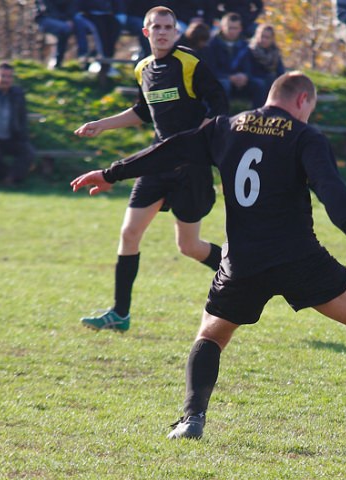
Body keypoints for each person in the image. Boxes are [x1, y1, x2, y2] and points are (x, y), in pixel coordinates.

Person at [70, 71, 346, 440]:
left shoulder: (225, 127)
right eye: (310, 108)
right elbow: (329, 187)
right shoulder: (304, 135)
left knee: (210, 336)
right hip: (302, 261)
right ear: (302, 100)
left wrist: (111, 174)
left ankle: (192, 419)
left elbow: (168, 149)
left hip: (243, 262)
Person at [73, 6, 229, 332]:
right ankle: (120, 313)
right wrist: (102, 125)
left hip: (190, 167)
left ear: (176, 32)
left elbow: (219, 106)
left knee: (189, 247)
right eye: (156, 27)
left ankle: (241, 269)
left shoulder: (191, 64)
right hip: (156, 163)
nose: (162, 32)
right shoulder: (143, 67)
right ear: (145, 32)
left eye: (168, 27)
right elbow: (144, 111)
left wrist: (196, 140)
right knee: (129, 233)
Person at [206, 12, 265, 108]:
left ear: (240, 29)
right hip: (221, 80)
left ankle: (257, 118)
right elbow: (210, 70)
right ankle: (222, 118)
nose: (232, 31)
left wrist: (245, 76)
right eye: (230, 28)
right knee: (224, 85)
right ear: (222, 27)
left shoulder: (245, 45)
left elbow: (249, 66)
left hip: (240, 82)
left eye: (235, 28)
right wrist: (229, 77)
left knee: (259, 84)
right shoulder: (212, 44)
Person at [35, 0, 92, 69]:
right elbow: (49, 9)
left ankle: (83, 56)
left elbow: (72, 8)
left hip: (66, 20)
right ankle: (57, 59)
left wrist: (70, 19)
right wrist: (66, 20)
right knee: (64, 29)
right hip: (46, 19)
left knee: (80, 25)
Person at [77, 0, 126, 76]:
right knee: (100, 32)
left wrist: (119, 13)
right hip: (89, 14)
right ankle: (101, 61)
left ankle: (107, 62)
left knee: (114, 30)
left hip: (107, 14)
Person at [246, 24, 285, 105]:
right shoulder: (250, 50)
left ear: (272, 39)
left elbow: (280, 71)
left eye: (267, 38)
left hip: (268, 81)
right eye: (262, 36)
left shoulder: (275, 53)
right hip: (253, 82)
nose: (263, 40)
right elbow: (247, 70)